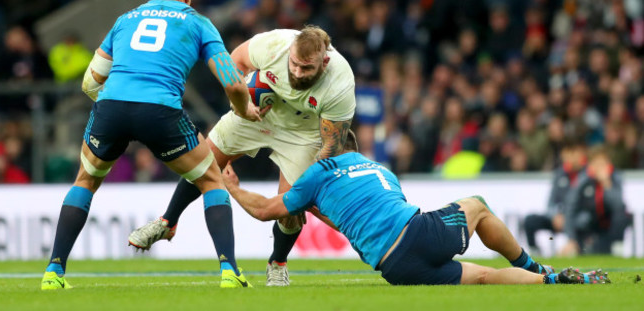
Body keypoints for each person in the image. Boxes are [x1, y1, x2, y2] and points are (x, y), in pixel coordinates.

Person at [40, 0, 261, 290]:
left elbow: (90, 81)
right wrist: (245, 111)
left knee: (85, 180)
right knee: (212, 179)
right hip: (160, 111)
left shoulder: (125, 20)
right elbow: (234, 85)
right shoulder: (199, 22)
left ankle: (53, 272)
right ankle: (229, 272)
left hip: (111, 107)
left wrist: (114, 107)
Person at [223, 130, 610, 286]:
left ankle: (551, 282)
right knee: (477, 205)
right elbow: (384, 211)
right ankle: (538, 270)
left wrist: (232, 189)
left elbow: (267, 209)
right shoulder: (380, 171)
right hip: (415, 233)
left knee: (479, 277)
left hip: (394, 267)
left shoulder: (318, 172)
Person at [128, 25, 356, 286]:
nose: (297, 72)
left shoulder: (340, 81)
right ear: (290, 51)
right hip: (257, 115)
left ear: (324, 62)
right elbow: (232, 63)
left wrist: (307, 191)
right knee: (203, 162)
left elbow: (330, 147)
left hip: (304, 134)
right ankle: (168, 221)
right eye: (294, 64)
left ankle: (277, 263)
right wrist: (241, 105)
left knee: (289, 207)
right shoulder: (274, 45)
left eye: (306, 69)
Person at [560, 146, 632, 256]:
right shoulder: (583, 181)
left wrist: (606, 184)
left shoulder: (615, 178)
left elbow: (618, 205)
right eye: (596, 163)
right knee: (583, 218)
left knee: (622, 215)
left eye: (602, 163)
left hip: (609, 227)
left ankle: (617, 245)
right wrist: (571, 238)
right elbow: (571, 208)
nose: (599, 167)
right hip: (590, 226)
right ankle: (579, 246)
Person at [524, 139, 587, 255]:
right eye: (568, 152)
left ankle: (580, 249)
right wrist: (555, 215)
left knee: (586, 222)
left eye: (574, 152)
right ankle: (534, 251)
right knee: (530, 221)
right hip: (558, 218)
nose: (570, 157)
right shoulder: (559, 174)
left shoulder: (587, 175)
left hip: (576, 218)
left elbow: (588, 205)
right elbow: (551, 202)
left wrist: (568, 218)